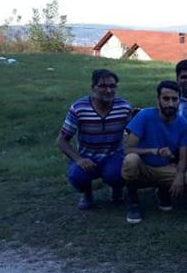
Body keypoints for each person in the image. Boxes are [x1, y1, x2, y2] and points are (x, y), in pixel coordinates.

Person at [122, 81, 187, 224]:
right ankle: (133, 202)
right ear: (158, 100)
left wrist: (180, 176)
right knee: (131, 159)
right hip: (143, 166)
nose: (170, 104)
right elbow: (128, 149)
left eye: (174, 99)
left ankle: (162, 190)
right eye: (166, 99)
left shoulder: (182, 123)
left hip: (165, 168)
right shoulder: (144, 116)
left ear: (179, 100)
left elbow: (183, 157)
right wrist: (154, 151)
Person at [56, 69, 132, 210]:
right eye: (103, 86)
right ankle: (87, 194)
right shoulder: (79, 108)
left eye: (112, 86)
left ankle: (117, 190)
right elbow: (61, 140)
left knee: (121, 171)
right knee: (76, 175)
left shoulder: (124, 107)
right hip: (87, 156)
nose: (108, 90)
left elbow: (133, 133)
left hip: (113, 154)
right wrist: (79, 160)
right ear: (93, 88)